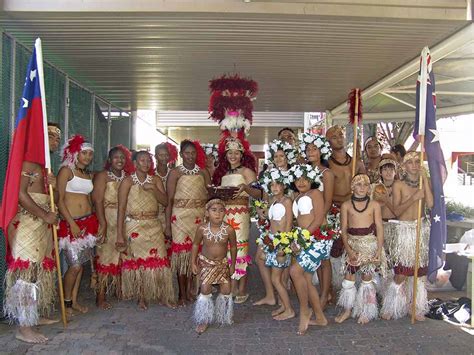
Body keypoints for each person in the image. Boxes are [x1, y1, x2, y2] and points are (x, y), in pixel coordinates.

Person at [3, 123, 61, 343]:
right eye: (50, 136)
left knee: (37, 271)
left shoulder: (44, 165)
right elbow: (19, 194)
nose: (55, 140)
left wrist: (52, 187)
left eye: (57, 137)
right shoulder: (29, 161)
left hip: (40, 226)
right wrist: (45, 215)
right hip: (27, 224)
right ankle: (24, 327)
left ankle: (33, 315)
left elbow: (44, 194)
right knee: (27, 273)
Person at [116, 150, 175, 309]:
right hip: (134, 225)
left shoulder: (155, 180)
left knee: (160, 260)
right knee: (140, 262)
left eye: (148, 160)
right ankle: (142, 297)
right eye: (142, 160)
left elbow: (165, 202)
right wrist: (120, 235)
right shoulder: (127, 181)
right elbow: (121, 208)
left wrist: (154, 190)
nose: (146, 163)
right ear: (135, 163)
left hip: (153, 225)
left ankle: (164, 295)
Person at [381, 151, 433, 321]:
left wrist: (424, 180)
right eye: (410, 162)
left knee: (418, 273)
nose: (414, 165)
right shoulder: (398, 185)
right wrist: (413, 198)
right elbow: (396, 211)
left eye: (417, 161)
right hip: (404, 231)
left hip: (421, 229)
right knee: (401, 272)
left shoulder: (423, 183)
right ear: (403, 166)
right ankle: (390, 306)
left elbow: (431, 204)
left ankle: (415, 307)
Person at [212, 137, 262, 303]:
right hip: (226, 214)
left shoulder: (247, 172)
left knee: (240, 249)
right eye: (230, 152)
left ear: (242, 155)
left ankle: (240, 288)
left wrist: (246, 188)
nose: (233, 156)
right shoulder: (225, 174)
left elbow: (259, 194)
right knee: (227, 249)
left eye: (236, 153)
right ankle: (230, 285)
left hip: (240, 214)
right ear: (225, 155)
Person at [335, 174, 386, 324]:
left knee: (367, 279)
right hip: (352, 244)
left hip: (369, 244)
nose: (362, 188)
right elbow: (343, 229)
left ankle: (366, 311)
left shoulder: (374, 205)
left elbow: (379, 227)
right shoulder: (346, 205)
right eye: (358, 184)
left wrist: (378, 249)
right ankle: (347, 310)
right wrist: (349, 250)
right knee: (348, 280)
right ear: (352, 187)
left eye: (365, 185)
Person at [57, 134, 99, 317]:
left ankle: (74, 301)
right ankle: (65, 304)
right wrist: (71, 223)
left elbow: (89, 199)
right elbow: (59, 200)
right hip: (70, 224)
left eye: (90, 154)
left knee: (81, 265)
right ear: (74, 153)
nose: (88, 157)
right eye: (84, 153)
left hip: (87, 223)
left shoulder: (87, 174)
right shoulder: (67, 171)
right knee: (74, 266)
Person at [253, 139, 296, 306]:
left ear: (287, 158)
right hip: (270, 223)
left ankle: (281, 297)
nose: (279, 159)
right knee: (260, 259)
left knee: (283, 261)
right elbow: (266, 199)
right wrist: (262, 210)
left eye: (282, 156)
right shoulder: (268, 176)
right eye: (276, 156)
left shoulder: (293, 176)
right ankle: (271, 295)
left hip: (287, 223)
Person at [288, 164, 330, 335]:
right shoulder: (297, 196)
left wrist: (302, 237)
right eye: (298, 179)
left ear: (312, 179)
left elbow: (319, 219)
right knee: (305, 277)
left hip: (318, 239)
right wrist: (294, 239)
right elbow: (298, 221)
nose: (301, 182)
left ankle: (305, 311)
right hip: (304, 238)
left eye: (305, 179)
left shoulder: (316, 193)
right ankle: (320, 317)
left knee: (294, 272)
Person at [166, 140, 209, 305]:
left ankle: (192, 289)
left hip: (198, 217)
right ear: (181, 154)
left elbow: (209, 195)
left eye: (193, 153)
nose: (190, 156)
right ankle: (182, 294)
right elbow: (169, 200)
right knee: (181, 256)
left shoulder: (203, 172)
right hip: (179, 219)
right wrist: (167, 225)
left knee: (196, 254)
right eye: (186, 153)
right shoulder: (175, 173)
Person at [92, 145, 133, 309]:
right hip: (108, 218)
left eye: (122, 157)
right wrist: (103, 223)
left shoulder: (128, 177)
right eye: (116, 157)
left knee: (123, 255)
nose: (120, 160)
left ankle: (118, 289)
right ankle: (100, 296)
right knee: (106, 255)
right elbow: (97, 200)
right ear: (109, 160)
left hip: (125, 219)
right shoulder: (103, 176)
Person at [299, 133, 335, 309]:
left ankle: (324, 295)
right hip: (307, 222)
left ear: (321, 152)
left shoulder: (327, 173)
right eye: (308, 148)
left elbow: (328, 201)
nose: (311, 151)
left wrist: (319, 220)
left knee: (325, 260)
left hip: (322, 221)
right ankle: (321, 292)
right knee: (316, 261)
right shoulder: (303, 172)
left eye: (314, 148)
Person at [191, 198, 237, 333]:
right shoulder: (202, 229)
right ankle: (204, 319)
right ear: (207, 213)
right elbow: (195, 245)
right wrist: (193, 262)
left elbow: (233, 248)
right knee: (205, 289)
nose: (218, 213)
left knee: (226, 290)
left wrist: (233, 264)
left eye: (221, 210)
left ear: (225, 213)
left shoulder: (229, 230)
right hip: (206, 264)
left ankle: (222, 315)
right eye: (214, 210)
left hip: (222, 264)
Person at [259, 168, 294, 320]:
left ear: (284, 186)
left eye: (277, 184)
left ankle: (289, 310)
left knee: (276, 279)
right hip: (272, 241)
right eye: (272, 184)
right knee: (277, 278)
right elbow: (271, 220)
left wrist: (283, 246)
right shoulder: (273, 201)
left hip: (281, 243)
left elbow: (288, 224)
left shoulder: (287, 201)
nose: (274, 187)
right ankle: (283, 306)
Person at [154, 142, 178, 231]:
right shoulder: (151, 174)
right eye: (161, 155)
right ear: (155, 156)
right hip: (155, 215)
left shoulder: (174, 173)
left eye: (166, 155)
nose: (164, 158)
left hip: (172, 213)